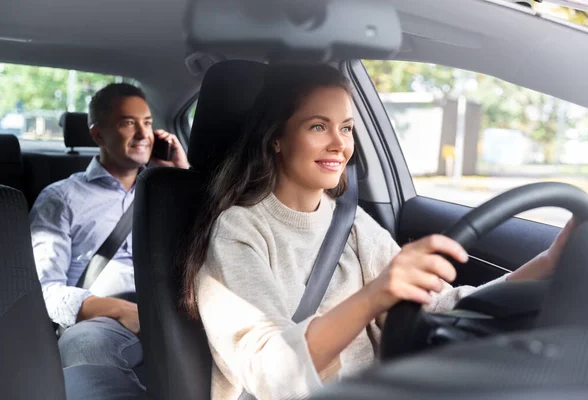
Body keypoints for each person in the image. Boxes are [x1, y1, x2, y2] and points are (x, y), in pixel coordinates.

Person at [177, 64, 576, 400]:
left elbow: (440, 308)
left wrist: (547, 263)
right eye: (318, 126)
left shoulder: (350, 223)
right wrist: (375, 295)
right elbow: (271, 371)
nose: (340, 144)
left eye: (347, 128)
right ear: (277, 138)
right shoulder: (238, 231)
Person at [30, 83, 189, 398]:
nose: (143, 134)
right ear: (98, 135)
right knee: (84, 346)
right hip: (102, 321)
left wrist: (181, 177)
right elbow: (43, 292)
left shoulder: (172, 191)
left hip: (178, 310)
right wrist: (119, 310)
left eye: (147, 122)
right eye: (128, 123)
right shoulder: (61, 197)